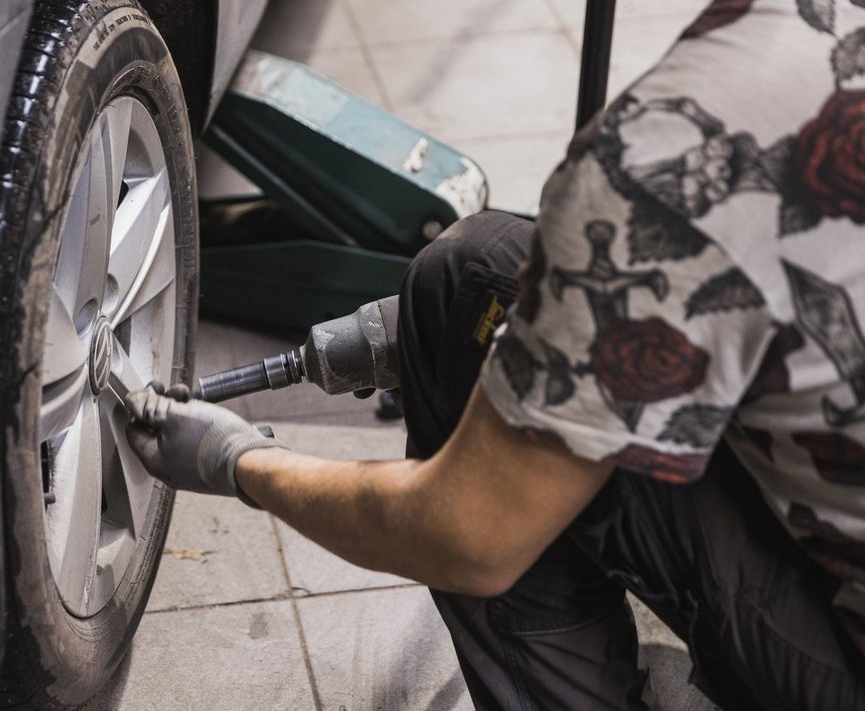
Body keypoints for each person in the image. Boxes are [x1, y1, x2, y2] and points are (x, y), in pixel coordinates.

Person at [125, 2, 865, 708]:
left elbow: (468, 535)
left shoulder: (683, 148)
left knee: (459, 299)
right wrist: (557, 321)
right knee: (477, 275)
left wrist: (241, 463)